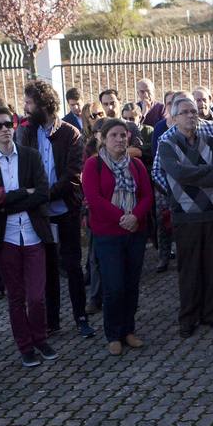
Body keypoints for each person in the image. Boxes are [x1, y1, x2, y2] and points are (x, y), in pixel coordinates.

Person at [0, 103, 56, 367]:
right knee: (16, 297)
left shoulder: (30, 156)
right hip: (4, 237)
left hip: (33, 234)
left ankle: (40, 338)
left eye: (9, 124)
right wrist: (22, 194)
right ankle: (25, 345)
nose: (6, 129)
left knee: (36, 297)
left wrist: (7, 201)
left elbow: (43, 193)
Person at [16, 79, 94, 338]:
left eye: (29, 102)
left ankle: (80, 317)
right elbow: (23, 170)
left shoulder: (70, 133)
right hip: (39, 214)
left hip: (66, 211)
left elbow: (73, 175)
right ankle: (52, 320)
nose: (25, 108)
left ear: (43, 104)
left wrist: (43, 195)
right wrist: (36, 199)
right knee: (47, 268)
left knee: (72, 266)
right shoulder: (26, 132)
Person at [157, 93, 213, 336]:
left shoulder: (211, 141)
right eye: (185, 112)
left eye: (193, 112)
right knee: (188, 270)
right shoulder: (167, 145)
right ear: (174, 117)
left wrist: (194, 173)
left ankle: (211, 314)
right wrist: (205, 171)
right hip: (185, 217)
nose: (191, 115)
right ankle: (188, 319)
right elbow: (177, 174)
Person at [83, 118, 154, 355]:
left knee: (131, 283)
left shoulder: (136, 165)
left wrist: (135, 216)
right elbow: (94, 199)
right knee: (114, 286)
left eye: (123, 135)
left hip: (135, 231)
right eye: (113, 135)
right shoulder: (94, 165)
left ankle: (128, 330)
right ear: (102, 139)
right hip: (108, 234)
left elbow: (147, 195)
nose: (119, 139)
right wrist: (122, 216)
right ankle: (113, 333)